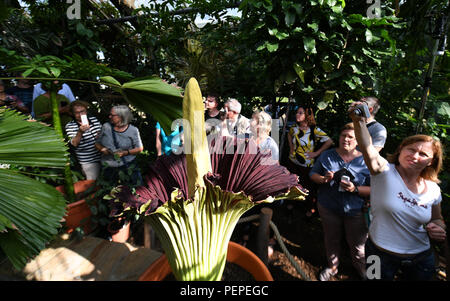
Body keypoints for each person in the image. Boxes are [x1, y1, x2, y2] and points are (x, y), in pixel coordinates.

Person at [349, 104, 446, 281]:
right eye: (411, 149)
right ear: (401, 149)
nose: (415, 156)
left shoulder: (433, 189)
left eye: (423, 154)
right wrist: (359, 122)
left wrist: (439, 228)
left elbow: (436, 218)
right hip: (377, 253)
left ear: (431, 162)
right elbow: (367, 148)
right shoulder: (383, 171)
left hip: (421, 259)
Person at [310, 122, 371, 281]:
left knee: (358, 245)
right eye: (344, 135)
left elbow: (376, 189)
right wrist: (324, 179)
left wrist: (355, 189)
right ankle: (332, 267)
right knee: (331, 238)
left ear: (358, 141)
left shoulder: (366, 161)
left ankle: (362, 269)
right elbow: (313, 174)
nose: (346, 139)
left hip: (355, 210)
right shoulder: (327, 155)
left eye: (351, 137)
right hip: (328, 206)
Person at [287, 106, 333, 217]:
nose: (297, 114)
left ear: (307, 116)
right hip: (293, 161)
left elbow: (329, 141)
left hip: (306, 165)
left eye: (300, 113)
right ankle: (291, 204)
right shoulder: (294, 128)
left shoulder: (314, 130)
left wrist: (316, 153)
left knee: (307, 187)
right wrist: (291, 147)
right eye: (297, 112)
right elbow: (289, 135)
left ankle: (308, 208)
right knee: (292, 183)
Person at [95, 105, 144, 186]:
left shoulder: (133, 130)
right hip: (108, 166)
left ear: (121, 117)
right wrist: (102, 149)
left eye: (112, 115)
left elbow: (139, 148)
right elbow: (97, 143)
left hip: (127, 165)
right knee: (109, 192)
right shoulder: (106, 127)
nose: (109, 116)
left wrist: (125, 153)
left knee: (134, 188)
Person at [65, 100, 102, 180]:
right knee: (92, 184)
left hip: (102, 157)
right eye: (77, 112)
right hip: (88, 161)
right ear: (72, 114)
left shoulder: (93, 120)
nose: (80, 114)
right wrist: (80, 132)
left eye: (82, 111)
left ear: (86, 110)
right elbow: (74, 144)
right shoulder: (70, 125)